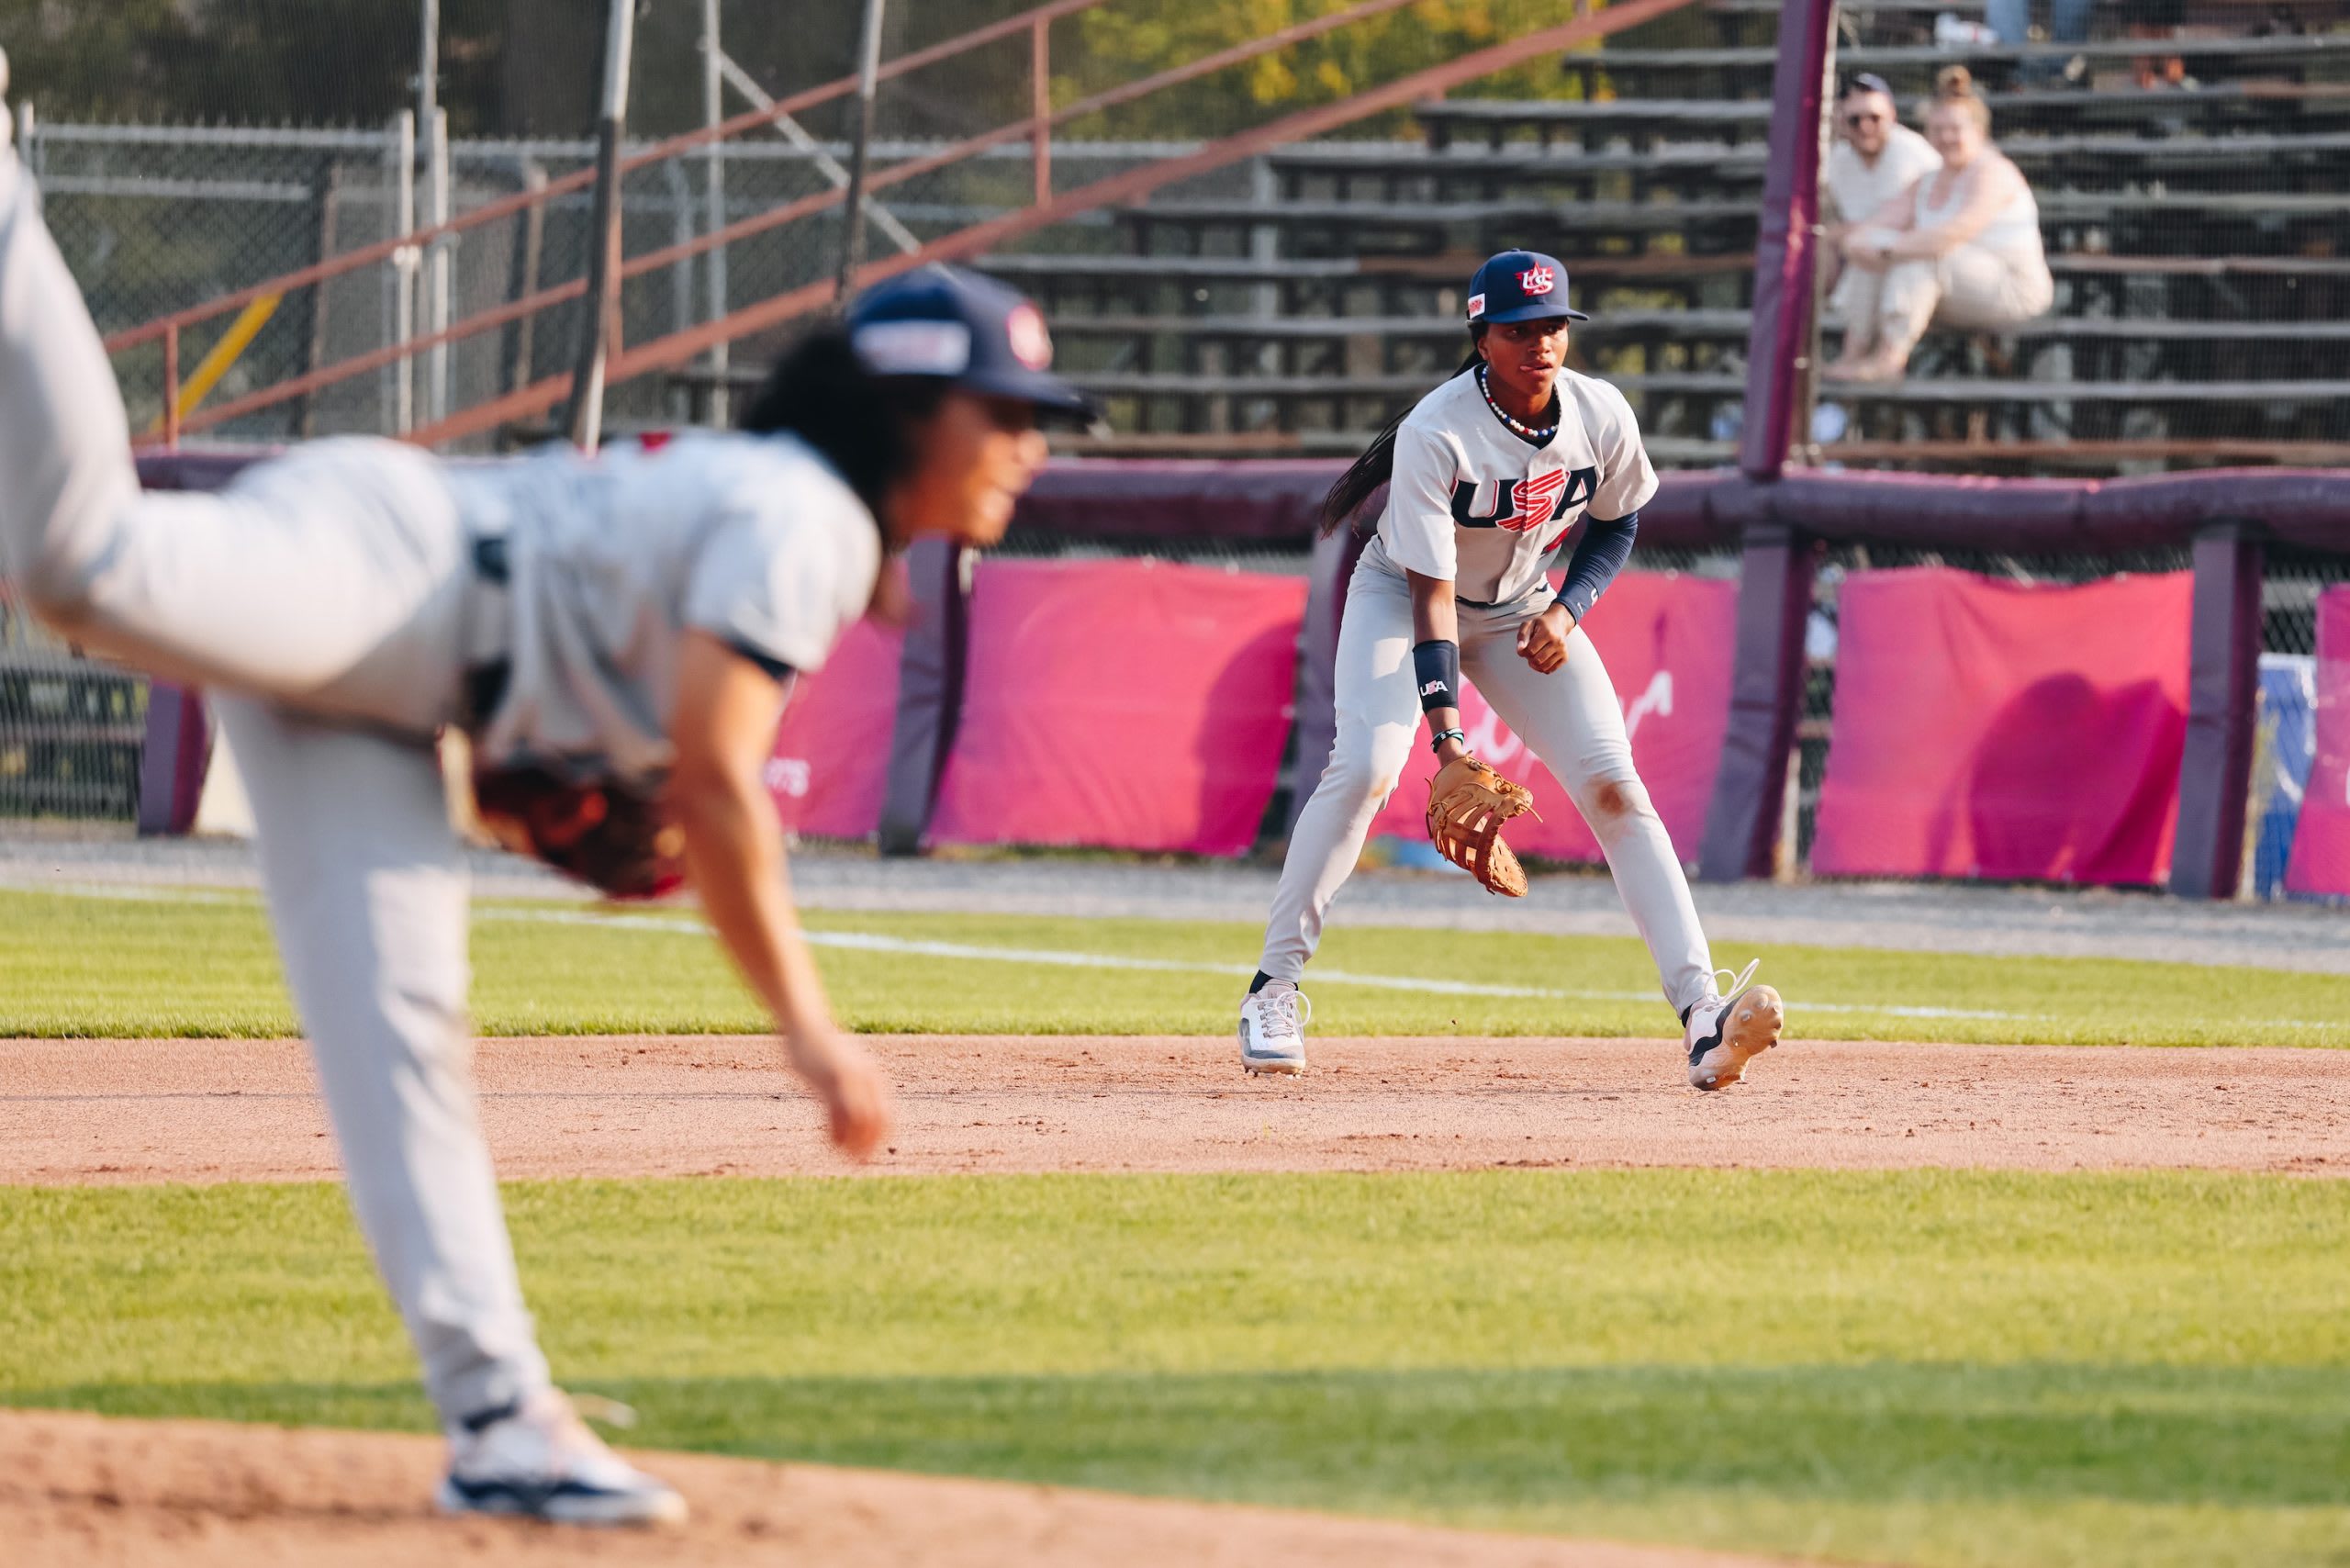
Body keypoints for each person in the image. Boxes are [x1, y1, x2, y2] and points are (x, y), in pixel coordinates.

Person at [0, 48, 1088, 1525]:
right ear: (910, 414)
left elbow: (592, 741)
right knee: (88, 567)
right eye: (1003, 411)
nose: (1030, 443)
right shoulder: (807, 517)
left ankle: (503, 1421)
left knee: (400, 1029)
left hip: (407, 687)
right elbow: (718, 783)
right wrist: (813, 1033)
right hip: (393, 569)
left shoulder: (813, 521)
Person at [1234, 250, 1785, 1092]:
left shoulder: (1599, 412)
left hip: (1523, 604)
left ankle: (1703, 1016)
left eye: (1553, 325)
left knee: (1615, 786)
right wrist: (1448, 738)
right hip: (1405, 597)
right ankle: (1273, 988)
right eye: (1520, 329)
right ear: (1481, 336)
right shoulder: (1438, 431)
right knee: (1367, 766)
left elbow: (1618, 522)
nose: (1541, 343)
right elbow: (1432, 598)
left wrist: (1567, 610)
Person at [1825, 66, 2053, 383]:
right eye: (1937, 129)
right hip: (1953, 289)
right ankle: (1854, 354)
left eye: (1954, 129)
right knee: (1882, 252)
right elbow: (1873, 227)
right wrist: (1862, 244)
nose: (1946, 137)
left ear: (1978, 130)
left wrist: (1884, 248)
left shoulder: (1994, 173)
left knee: (1917, 256)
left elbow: (1949, 237)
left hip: (2012, 293)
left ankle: (1889, 360)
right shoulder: (1928, 180)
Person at [1822, 74, 1942, 321]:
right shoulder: (1838, 160)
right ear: (1841, 121)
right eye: (1855, 120)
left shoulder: (1912, 152)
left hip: (1918, 263)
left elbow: (1924, 225)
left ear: (1892, 116)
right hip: (1867, 260)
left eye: (1874, 118)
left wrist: (1841, 233)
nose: (1865, 127)